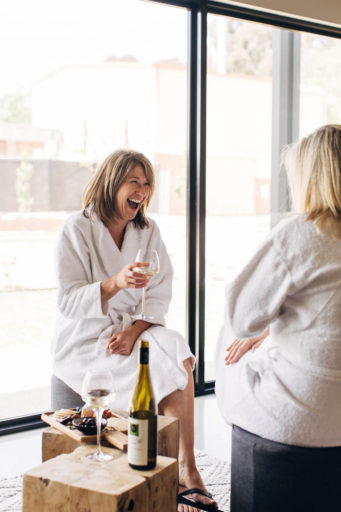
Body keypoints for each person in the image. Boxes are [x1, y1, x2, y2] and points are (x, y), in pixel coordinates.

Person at [51, 149, 218, 512]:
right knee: (163, 358)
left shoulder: (147, 230)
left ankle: (187, 469)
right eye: (134, 182)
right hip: (85, 341)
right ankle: (167, 467)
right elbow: (67, 301)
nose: (142, 191)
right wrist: (115, 283)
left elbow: (160, 292)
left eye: (147, 184)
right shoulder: (76, 229)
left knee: (176, 349)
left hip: (131, 331)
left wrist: (133, 332)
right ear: (113, 183)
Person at [215, 124, 341, 448]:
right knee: (268, 337)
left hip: (302, 417)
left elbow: (240, 317)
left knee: (228, 332)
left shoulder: (300, 232)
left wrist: (264, 325)